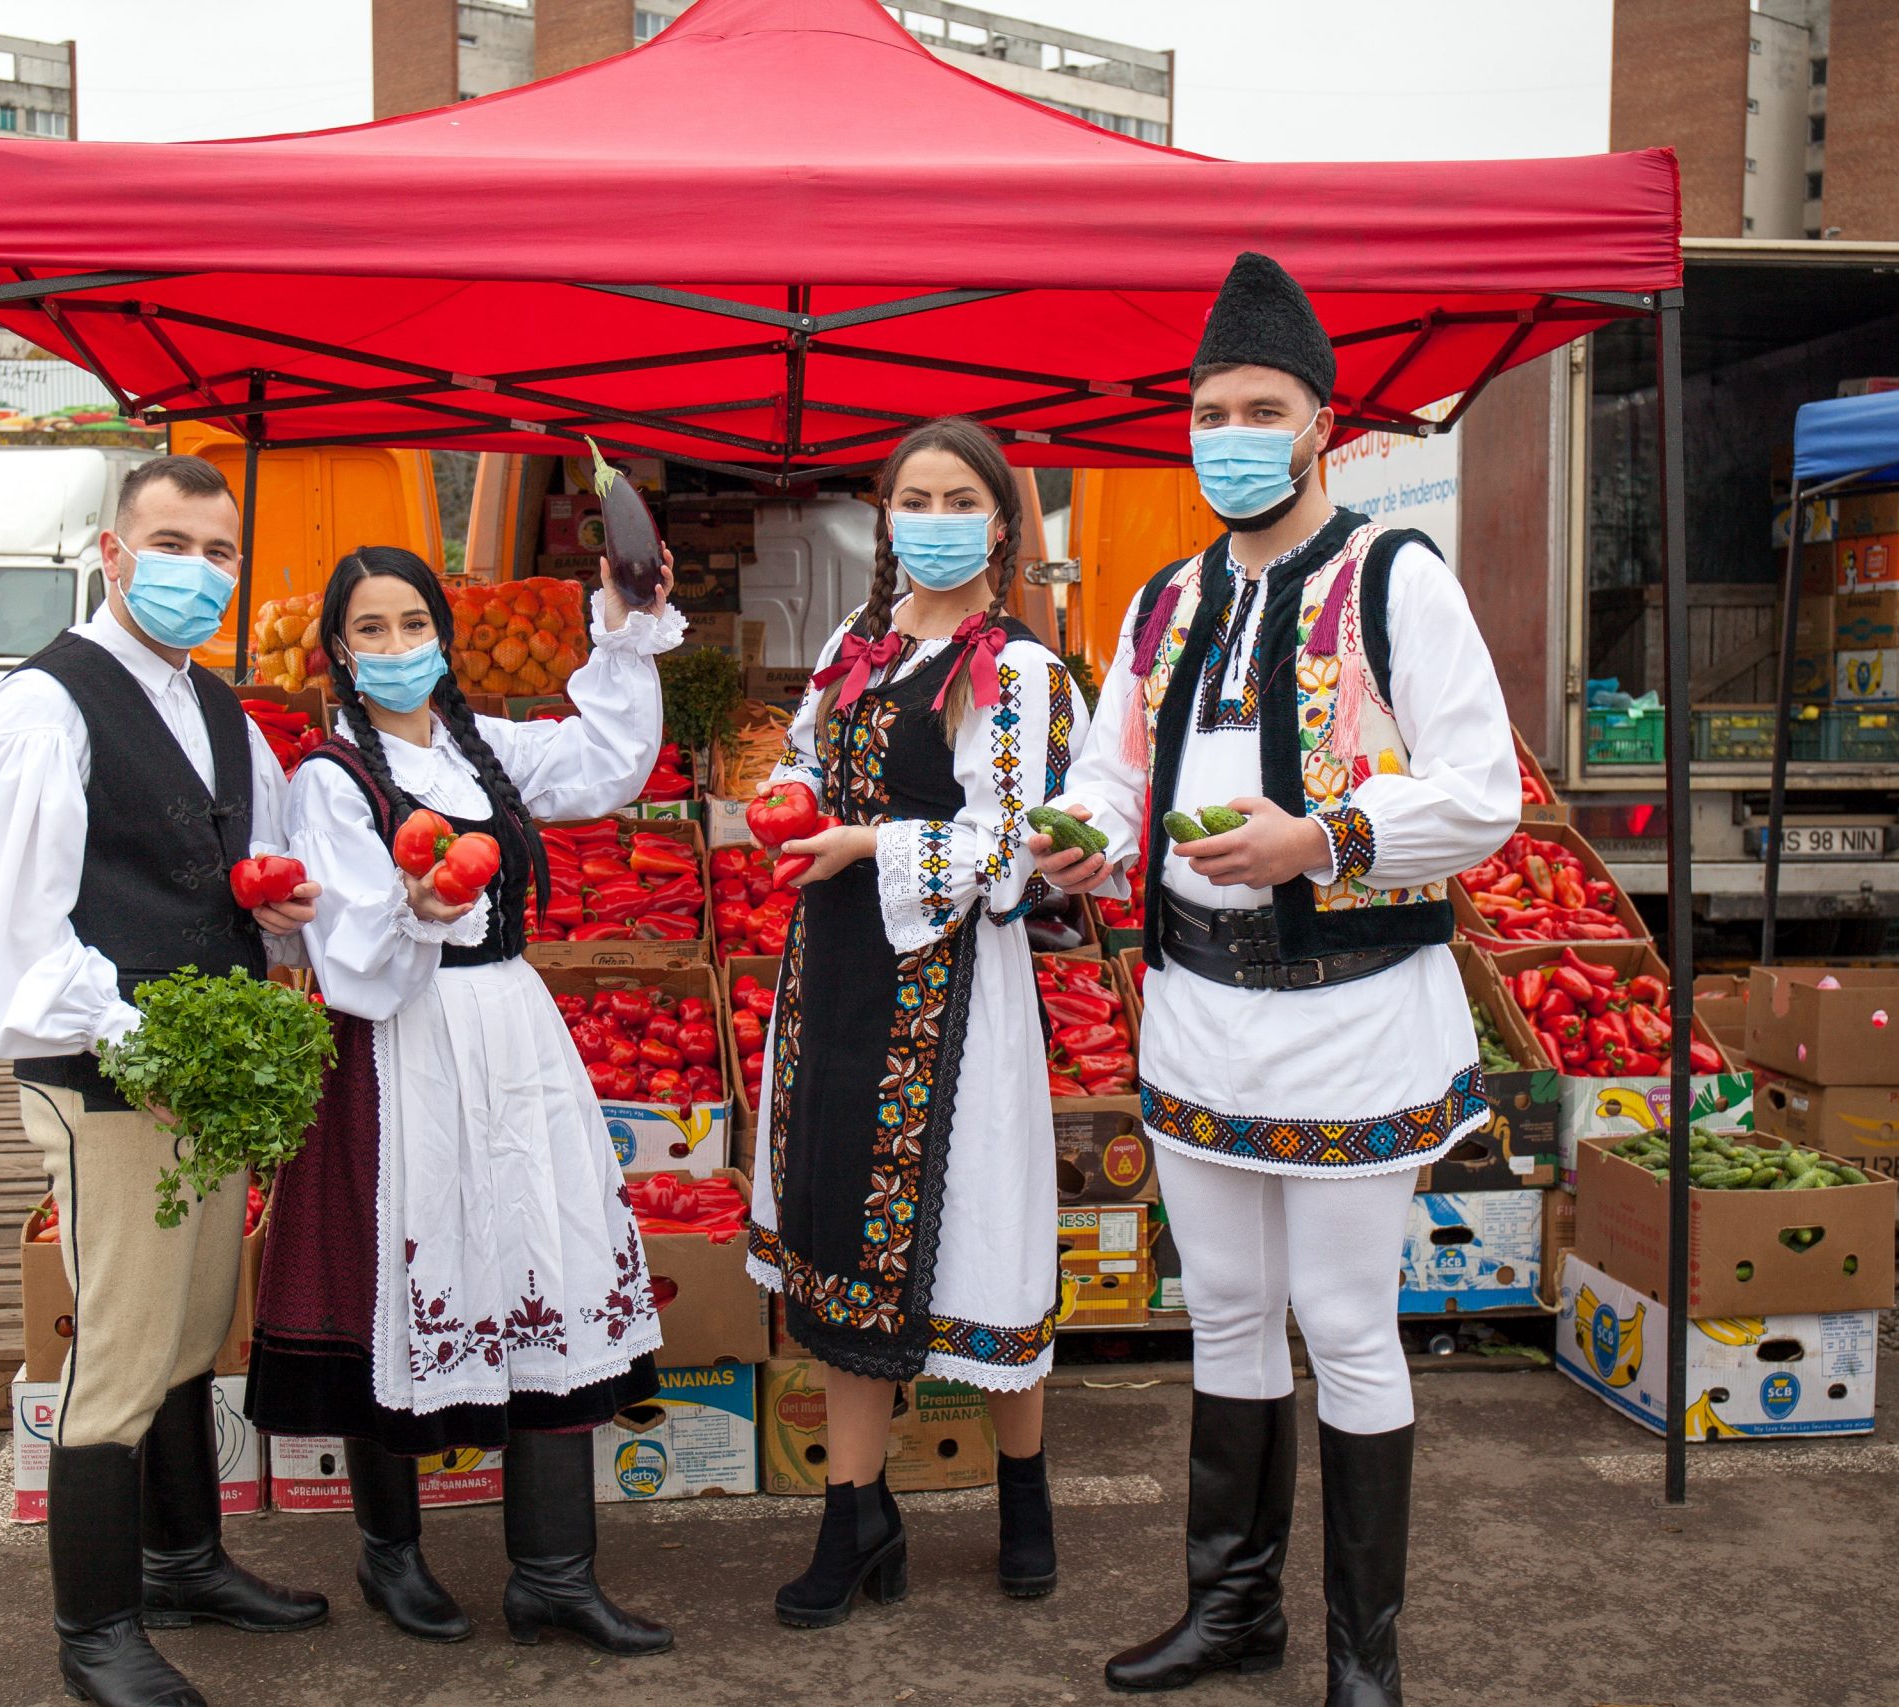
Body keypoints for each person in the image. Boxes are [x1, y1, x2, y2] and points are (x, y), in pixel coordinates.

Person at [1031, 253, 1517, 1705]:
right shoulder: (1164, 602)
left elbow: (1483, 788)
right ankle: (1232, 1609)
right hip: (1197, 1010)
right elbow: (1114, 772)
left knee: (1349, 1319)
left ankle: (1367, 1656)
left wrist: (1325, 836)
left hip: (1354, 1012)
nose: (1226, 431)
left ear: (1321, 420)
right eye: (1207, 408)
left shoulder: (1394, 578)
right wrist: (1080, 839)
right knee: (1230, 1308)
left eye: (1259, 406)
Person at [246, 544, 685, 1657]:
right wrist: (422, 905)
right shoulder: (329, 783)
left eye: (413, 624)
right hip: (402, 1048)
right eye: (372, 631)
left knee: (550, 1263)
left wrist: (626, 627)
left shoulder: (483, 751)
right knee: (408, 1280)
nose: (398, 648)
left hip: (513, 1035)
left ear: (442, 634)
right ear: (338, 652)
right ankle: (391, 1553)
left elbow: (611, 760)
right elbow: (349, 956)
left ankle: (553, 1573)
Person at [0, 453, 329, 1707]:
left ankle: (182, 1559)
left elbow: (249, 870)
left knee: (187, 1321)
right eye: (172, 545)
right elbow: (11, 936)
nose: (198, 573)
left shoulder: (216, 710)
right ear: (112, 554)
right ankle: (95, 1632)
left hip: (198, 1077)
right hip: (110, 1077)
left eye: (220, 552)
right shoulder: (45, 708)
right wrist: (141, 1039)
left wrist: (287, 909)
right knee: (118, 1349)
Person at [745, 416, 1090, 1628]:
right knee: (839, 1232)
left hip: (952, 992)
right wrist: (784, 799)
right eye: (910, 498)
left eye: (956, 498)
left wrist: (869, 842)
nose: (930, 519)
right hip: (835, 975)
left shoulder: (1023, 673)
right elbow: (805, 757)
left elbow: (1020, 847)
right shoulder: (856, 640)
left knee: (985, 1236)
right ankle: (855, 1514)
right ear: (884, 518)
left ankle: (1024, 1492)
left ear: (1000, 520)